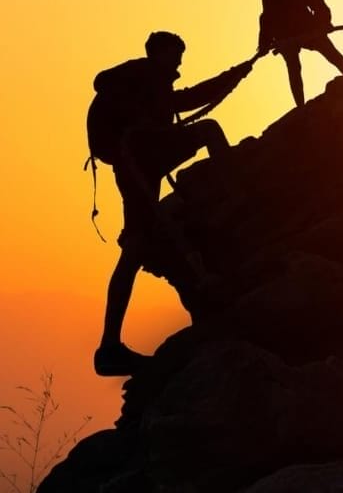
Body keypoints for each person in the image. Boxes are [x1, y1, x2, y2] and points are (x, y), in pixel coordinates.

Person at [90, 31, 252, 376]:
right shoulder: (142, 74)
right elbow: (106, 84)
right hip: (142, 157)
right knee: (208, 131)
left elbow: (185, 100)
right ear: (160, 53)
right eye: (176, 55)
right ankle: (237, 196)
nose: (179, 63)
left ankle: (109, 346)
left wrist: (236, 75)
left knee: (136, 249)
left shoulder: (151, 82)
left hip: (141, 162)